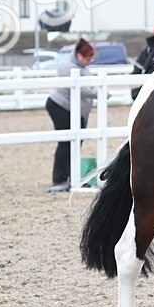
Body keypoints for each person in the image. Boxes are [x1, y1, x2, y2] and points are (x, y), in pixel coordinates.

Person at [45, 38, 97, 193]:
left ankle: (68, 175)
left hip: (72, 109)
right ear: (79, 55)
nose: (90, 60)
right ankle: (59, 179)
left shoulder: (80, 66)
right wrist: (100, 92)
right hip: (61, 107)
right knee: (66, 142)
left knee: (75, 142)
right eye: (88, 57)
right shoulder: (68, 67)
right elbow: (83, 89)